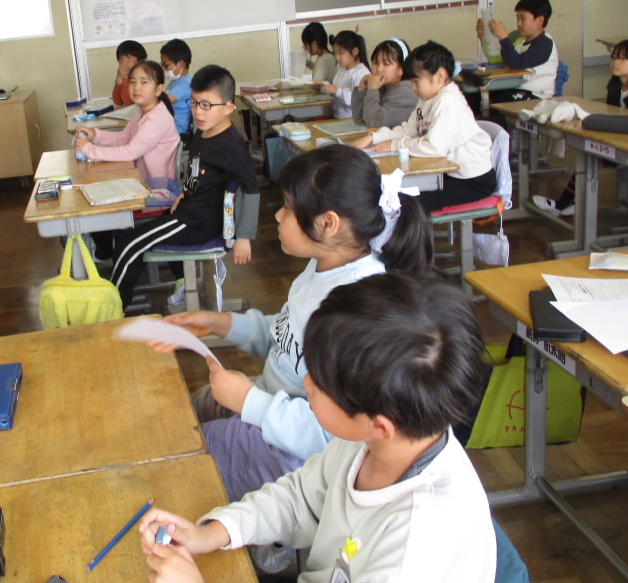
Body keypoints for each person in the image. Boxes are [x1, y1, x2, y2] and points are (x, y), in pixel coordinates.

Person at [139, 273, 496, 583]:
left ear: (380, 426)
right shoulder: (371, 438)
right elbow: (300, 498)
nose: (306, 383)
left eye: (321, 383)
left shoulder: (414, 548)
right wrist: (213, 532)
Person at [160, 146, 432, 505]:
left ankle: (256, 524)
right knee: (191, 408)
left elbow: (330, 433)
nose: (277, 215)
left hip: (297, 452)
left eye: (288, 207)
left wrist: (248, 401)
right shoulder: (324, 264)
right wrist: (223, 323)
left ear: (328, 223)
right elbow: (289, 334)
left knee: (187, 456)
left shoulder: (355, 307)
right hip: (274, 404)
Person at [110, 65, 259, 307]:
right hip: (189, 209)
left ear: (229, 107)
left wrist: (244, 237)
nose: (198, 111)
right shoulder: (203, 130)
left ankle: (113, 311)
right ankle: (177, 283)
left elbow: (251, 189)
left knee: (130, 245)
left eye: (207, 105)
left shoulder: (232, 146)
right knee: (127, 236)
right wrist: (184, 193)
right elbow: (196, 168)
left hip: (200, 223)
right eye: (195, 103)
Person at [534, 39, 628, 218]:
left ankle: (564, 204)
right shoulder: (616, 85)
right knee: (589, 154)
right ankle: (571, 202)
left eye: (623, 58)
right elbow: (612, 115)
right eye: (614, 57)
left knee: (593, 155)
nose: (616, 62)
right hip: (624, 140)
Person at [355, 41, 495, 213]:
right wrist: (374, 137)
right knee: (393, 193)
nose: (413, 88)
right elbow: (409, 129)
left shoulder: (448, 101)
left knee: (405, 203)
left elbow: (434, 147)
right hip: (449, 174)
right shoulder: (428, 97)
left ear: (440, 77)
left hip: (473, 181)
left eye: (416, 82)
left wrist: (396, 145)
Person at [77, 60, 180, 263]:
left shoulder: (156, 118)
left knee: (98, 203)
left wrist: (90, 150)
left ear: (159, 89)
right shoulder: (142, 111)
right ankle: (109, 249)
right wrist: (95, 134)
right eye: (132, 82)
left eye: (144, 82)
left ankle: (108, 252)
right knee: (96, 194)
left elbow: (130, 151)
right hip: (142, 183)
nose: (136, 87)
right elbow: (124, 138)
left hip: (155, 192)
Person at [476, 0, 558, 105]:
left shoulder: (545, 43)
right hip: (517, 88)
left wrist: (504, 37)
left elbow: (517, 63)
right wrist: (485, 37)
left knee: (495, 103)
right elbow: (501, 60)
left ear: (540, 20)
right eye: (517, 18)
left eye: (523, 19)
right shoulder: (522, 43)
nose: (519, 23)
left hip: (536, 95)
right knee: (475, 98)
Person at [351, 37, 418, 128]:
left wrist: (372, 90)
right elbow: (359, 120)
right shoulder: (383, 87)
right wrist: (361, 90)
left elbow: (374, 123)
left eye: (386, 64)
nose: (379, 69)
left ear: (401, 69)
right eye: (375, 63)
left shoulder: (405, 92)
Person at [322, 29, 370, 119]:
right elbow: (335, 89)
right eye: (335, 53)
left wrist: (337, 91)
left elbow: (358, 100)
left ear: (355, 51)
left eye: (341, 53)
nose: (337, 57)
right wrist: (323, 84)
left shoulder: (362, 73)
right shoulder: (342, 70)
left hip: (351, 120)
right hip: (337, 117)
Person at [161, 38, 194, 138]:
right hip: (168, 128)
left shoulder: (185, 84)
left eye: (166, 65)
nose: (164, 69)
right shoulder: (176, 81)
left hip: (177, 132)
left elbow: (163, 101)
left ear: (181, 64)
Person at [111, 39, 147, 106]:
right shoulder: (125, 76)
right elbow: (118, 102)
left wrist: (125, 78)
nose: (124, 61)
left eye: (129, 57)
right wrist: (119, 80)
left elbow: (130, 102)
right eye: (121, 58)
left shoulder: (144, 75)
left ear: (140, 60)